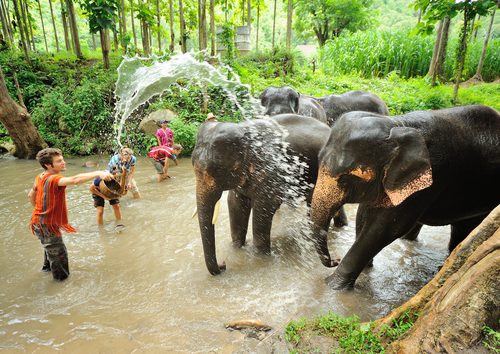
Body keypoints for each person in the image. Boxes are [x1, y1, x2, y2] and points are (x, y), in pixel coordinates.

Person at [28, 148, 113, 281]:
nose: (64, 162)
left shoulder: (40, 176)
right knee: (59, 256)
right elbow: (74, 180)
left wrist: (41, 213)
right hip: (47, 225)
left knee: (50, 250)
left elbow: (31, 195)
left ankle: (46, 273)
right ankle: (59, 289)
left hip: (38, 222)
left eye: (62, 159)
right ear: (48, 165)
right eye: (59, 161)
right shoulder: (54, 179)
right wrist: (98, 173)